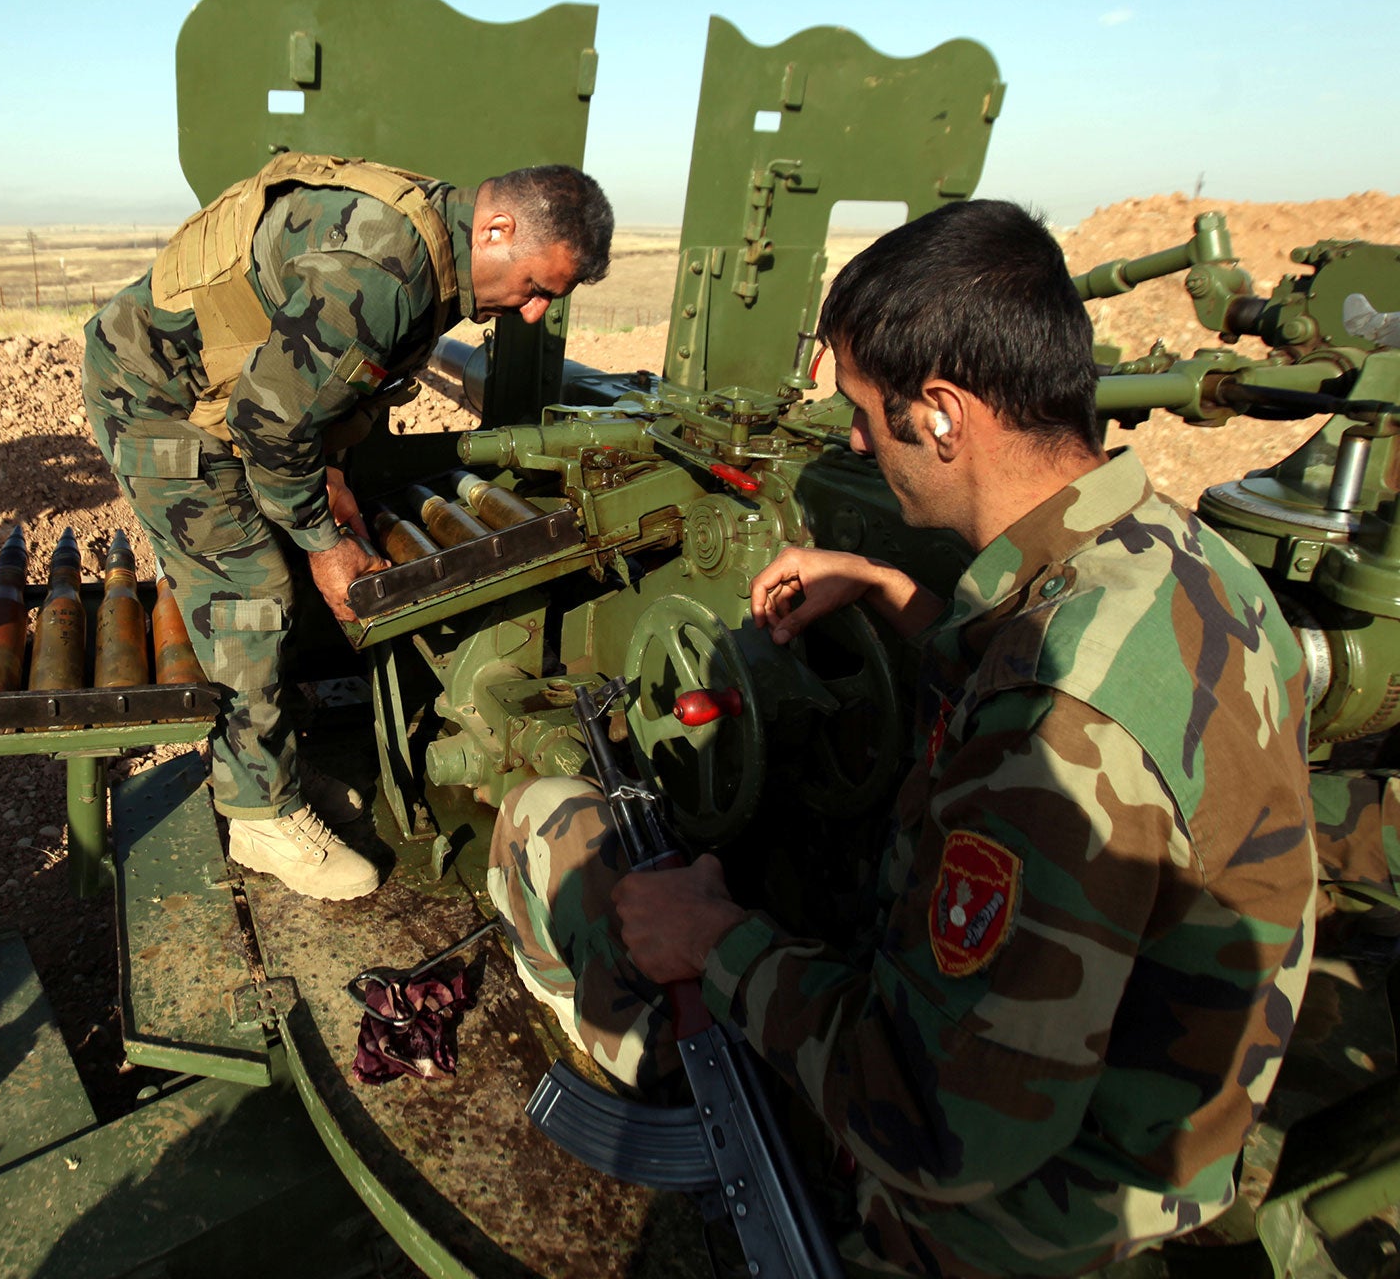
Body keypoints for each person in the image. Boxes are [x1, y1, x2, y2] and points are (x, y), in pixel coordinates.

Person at [488, 199, 1318, 1276]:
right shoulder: (1175, 557)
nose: (850, 441)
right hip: (1143, 1104)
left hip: (990, 1212)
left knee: (549, 830)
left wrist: (714, 942)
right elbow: (1039, 684)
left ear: (939, 413)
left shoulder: (1051, 743)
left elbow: (941, 1135)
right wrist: (884, 590)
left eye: (863, 413)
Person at [85, 153, 613, 900]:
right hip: (156, 400)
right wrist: (327, 546)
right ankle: (261, 815)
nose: (531, 312)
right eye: (534, 287)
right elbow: (267, 426)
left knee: (271, 566)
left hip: (218, 395)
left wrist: (328, 475)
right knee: (250, 587)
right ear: (497, 228)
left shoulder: (432, 244)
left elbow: (315, 389)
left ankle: (269, 769)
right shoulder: (387, 272)